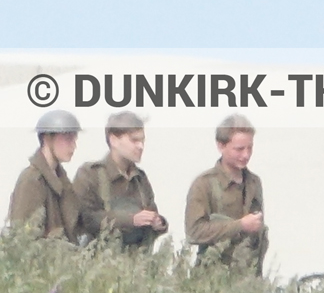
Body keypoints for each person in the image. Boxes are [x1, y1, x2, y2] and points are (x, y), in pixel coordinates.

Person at [184, 114, 267, 273]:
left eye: (250, 148)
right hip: (212, 277)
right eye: (239, 149)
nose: (246, 155)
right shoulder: (204, 184)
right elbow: (194, 232)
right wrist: (240, 225)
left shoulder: (254, 183)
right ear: (221, 146)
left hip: (248, 275)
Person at [73, 111, 169, 250]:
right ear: (114, 140)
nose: (140, 146)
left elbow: (151, 213)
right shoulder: (91, 174)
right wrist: (131, 220)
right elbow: (85, 219)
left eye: (142, 141)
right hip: (98, 264)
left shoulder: (140, 179)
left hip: (136, 263)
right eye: (134, 140)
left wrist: (158, 223)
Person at [7, 110, 83, 243]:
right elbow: (23, 238)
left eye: (74, 139)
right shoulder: (31, 180)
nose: (74, 146)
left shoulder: (62, 180)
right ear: (47, 138)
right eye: (67, 139)